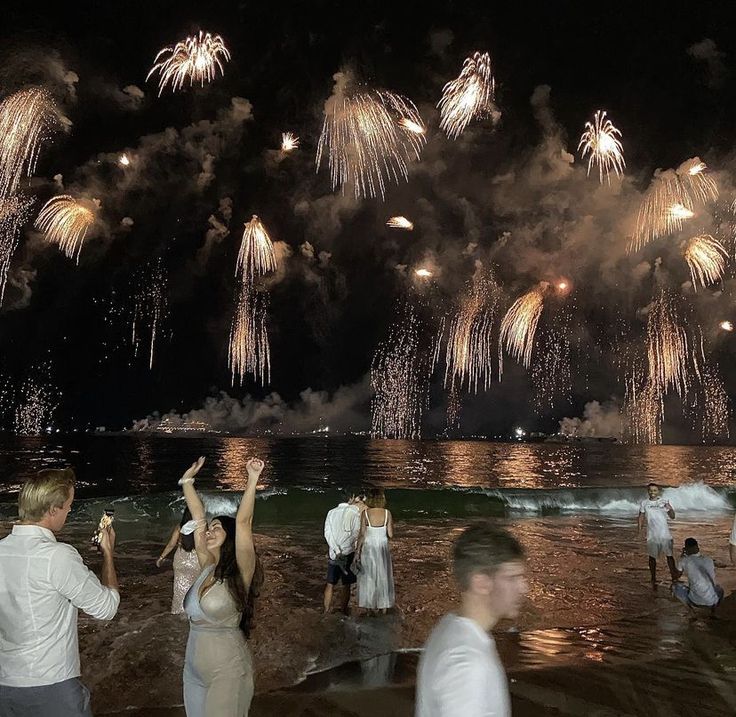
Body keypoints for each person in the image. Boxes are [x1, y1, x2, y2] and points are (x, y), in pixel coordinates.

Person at [0, 468, 120, 716]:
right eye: (68, 506)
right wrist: (108, 554)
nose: (69, 511)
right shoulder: (57, 556)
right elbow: (107, 607)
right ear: (52, 510)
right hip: (50, 684)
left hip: (5, 683)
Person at [179, 456, 264, 717]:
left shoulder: (241, 571)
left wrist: (251, 479)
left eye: (217, 528)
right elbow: (197, 515)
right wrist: (187, 482)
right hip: (192, 670)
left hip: (228, 669)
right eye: (210, 527)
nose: (209, 530)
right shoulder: (205, 565)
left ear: (230, 538)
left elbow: (243, 523)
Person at [415, 522, 527, 717]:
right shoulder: (467, 666)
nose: (524, 588)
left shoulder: (450, 626)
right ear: (481, 583)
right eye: (512, 578)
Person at [323, 491, 364, 615]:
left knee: (330, 584)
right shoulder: (354, 513)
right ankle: (343, 610)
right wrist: (352, 550)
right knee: (346, 584)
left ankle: (326, 610)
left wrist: (336, 549)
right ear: (350, 498)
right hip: (348, 552)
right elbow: (356, 533)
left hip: (334, 553)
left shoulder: (331, 512)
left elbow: (327, 533)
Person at [356, 488, 395, 614]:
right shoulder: (387, 513)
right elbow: (390, 534)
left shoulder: (365, 513)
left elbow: (362, 535)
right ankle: (383, 607)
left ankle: (369, 608)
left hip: (369, 547)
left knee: (368, 576)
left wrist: (357, 552)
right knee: (383, 576)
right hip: (382, 548)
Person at [157, 506, 201, 614]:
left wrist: (161, 557)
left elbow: (171, 544)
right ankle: (194, 612)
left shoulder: (179, 527)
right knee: (196, 588)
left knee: (179, 588)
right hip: (196, 561)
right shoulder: (201, 527)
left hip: (180, 560)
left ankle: (178, 610)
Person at [637, 482, 678, 589]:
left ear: (658, 491)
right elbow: (641, 517)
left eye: (655, 490)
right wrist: (639, 531)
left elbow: (673, 516)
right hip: (652, 535)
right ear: (648, 491)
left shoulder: (664, 502)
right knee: (652, 558)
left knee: (669, 556)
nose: (652, 492)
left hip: (665, 534)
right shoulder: (644, 503)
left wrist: (670, 508)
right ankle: (653, 577)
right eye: (650, 490)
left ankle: (674, 576)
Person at [672, 538, 724, 618]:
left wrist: (681, 557)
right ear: (698, 548)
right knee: (720, 589)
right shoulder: (709, 559)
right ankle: (713, 612)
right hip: (712, 601)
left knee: (675, 587)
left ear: (686, 549)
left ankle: (691, 612)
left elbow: (675, 576)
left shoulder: (684, 560)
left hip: (695, 601)